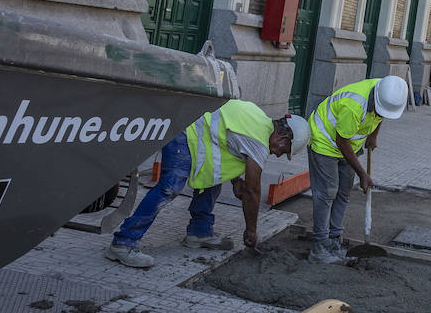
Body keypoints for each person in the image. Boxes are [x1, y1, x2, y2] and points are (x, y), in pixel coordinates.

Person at [106, 100, 309, 268]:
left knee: (213, 181)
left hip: (196, 135)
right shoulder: (258, 142)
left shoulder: (256, 115)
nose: (278, 154)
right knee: (169, 188)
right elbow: (253, 191)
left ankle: (199, 232)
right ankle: (124, 243)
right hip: (184, 134)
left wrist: (235, 180)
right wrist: (251, 231)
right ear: (283, 137)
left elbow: (228, 137)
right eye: (283, 150)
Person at [306, 75, 408, 264]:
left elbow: (380, 115)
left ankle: (334, 241)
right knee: (327, 193)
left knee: (343, 193)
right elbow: (341, 141)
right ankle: (319, 247)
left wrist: (373, 135)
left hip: (349, 144)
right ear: (375, 98)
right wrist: (362, 174)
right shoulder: (354, 105)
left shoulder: (386, 90)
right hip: (325, 140)